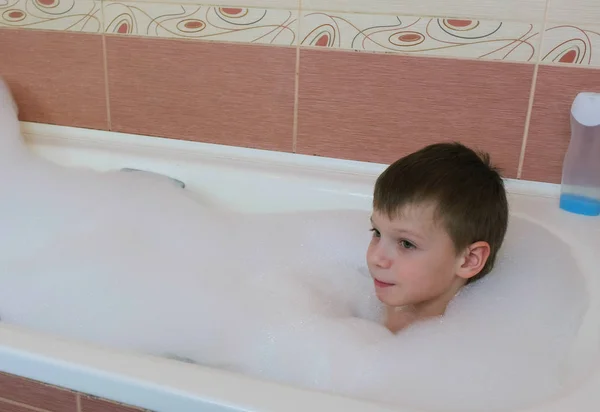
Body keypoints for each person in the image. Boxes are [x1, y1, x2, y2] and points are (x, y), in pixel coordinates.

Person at [367, 142, 509, 333]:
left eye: (406, 244)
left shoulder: (465, 342)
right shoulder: (372, 309)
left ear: (468, 260)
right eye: (377, 232)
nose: (376, 258)